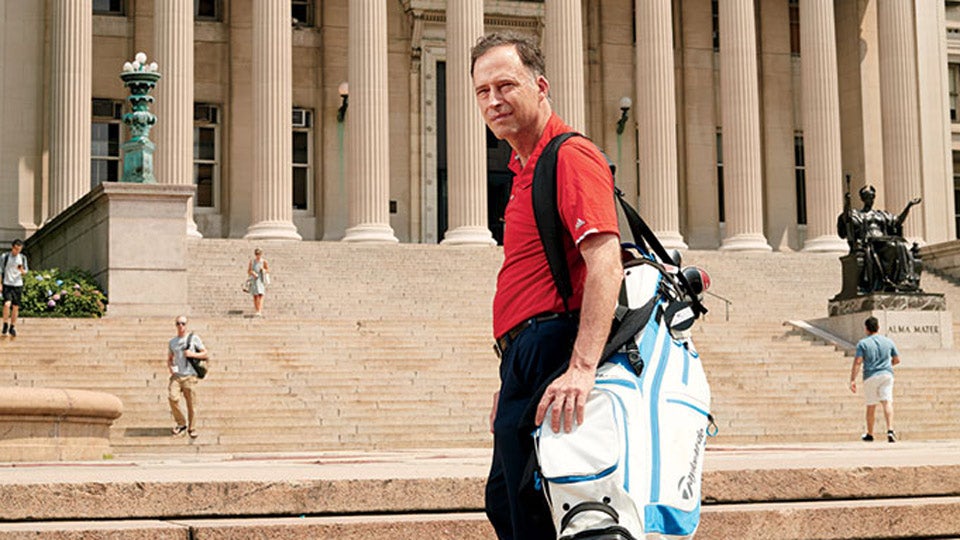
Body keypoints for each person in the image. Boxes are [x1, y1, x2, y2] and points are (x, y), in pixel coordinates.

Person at [471, 32, 623, 539]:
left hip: (552, 346)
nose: (494, 101)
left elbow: (605, 263)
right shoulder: (523, 168)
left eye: (506, 85)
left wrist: (580, 368)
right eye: (482, 91)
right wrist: (509, 375)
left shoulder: (569, 155)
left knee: (535, 508)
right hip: (524, 356)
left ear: (541, 86)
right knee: (507, 501)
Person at [837, 185, 922, 294]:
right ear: (862, 198)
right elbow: (846, 220)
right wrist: (847, 204)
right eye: (867, 197)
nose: (870, 199)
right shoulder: (857, 214)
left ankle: (905, 279)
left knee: (900, 245)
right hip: (871, 243)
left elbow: (898, 221)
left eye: (872, 197)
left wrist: (909, 206)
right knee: (894, 246)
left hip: (884, 241)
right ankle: (901, 279)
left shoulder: (881, 215)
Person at [849, 316, 900, 443]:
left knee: (871, 405)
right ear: (878, 327)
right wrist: (887, 366)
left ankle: (870, 433)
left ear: (866, 329)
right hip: (887, 374)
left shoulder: (863, 343)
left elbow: (858, 361)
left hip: (870, 375)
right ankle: (890, 429)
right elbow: (897, 359)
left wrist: (852, 379)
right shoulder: (888, 341)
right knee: (887, 402)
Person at [167, 315, 208, 439]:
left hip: (190, 375)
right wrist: (170, 367)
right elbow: (170, 358)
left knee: (191, 404)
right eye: (178, 323)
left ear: (186, 325)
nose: (181, 326)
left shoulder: (193, 338)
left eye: (183, 323)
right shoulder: (172, 342)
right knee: (172, 397)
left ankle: (192, 428)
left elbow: (205, 353)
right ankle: (181, 423)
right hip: (177, 375)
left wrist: (192, 354)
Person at [1, 239, 28, 337]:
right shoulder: (5, 257)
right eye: (16, 249)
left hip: (18, 284)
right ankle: (5, 324)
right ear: (12, 247)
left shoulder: (22, 258)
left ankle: (12, 327)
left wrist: (21, 270)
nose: (17, 251)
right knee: (7, 304)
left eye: (19, 249)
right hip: (7, 284)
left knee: (15, 307)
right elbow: (0, 271)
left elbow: (26, 272)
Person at [247, 248, 270, 317]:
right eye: (256, 254)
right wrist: (253, 273)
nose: (258, 255)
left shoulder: (264, 261)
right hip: (254, 279)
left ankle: (259, 310)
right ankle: (257, 310)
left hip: (261, 279)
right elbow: (249, 271)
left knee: (261, 294)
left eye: (259, 254)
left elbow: (268, 270)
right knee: (255, 295)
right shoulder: (252, 261)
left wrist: (263, 270)